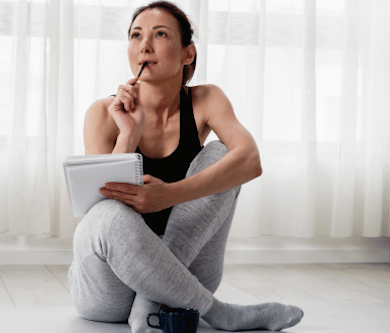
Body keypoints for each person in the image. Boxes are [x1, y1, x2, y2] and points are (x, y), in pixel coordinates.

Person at [68, 1, 304, 332]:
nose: (144, 46)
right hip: (110, 289)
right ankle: (221, 314)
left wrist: (168, 196)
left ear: (187, 54)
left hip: (185, 277)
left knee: (224, 154)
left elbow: (250, 161)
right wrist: (129, 134)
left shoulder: (206, 99)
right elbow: (99, 213)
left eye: (159, 34)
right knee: (108, 214)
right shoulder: (103, 112)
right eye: (136, 35)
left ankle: (148, 306)